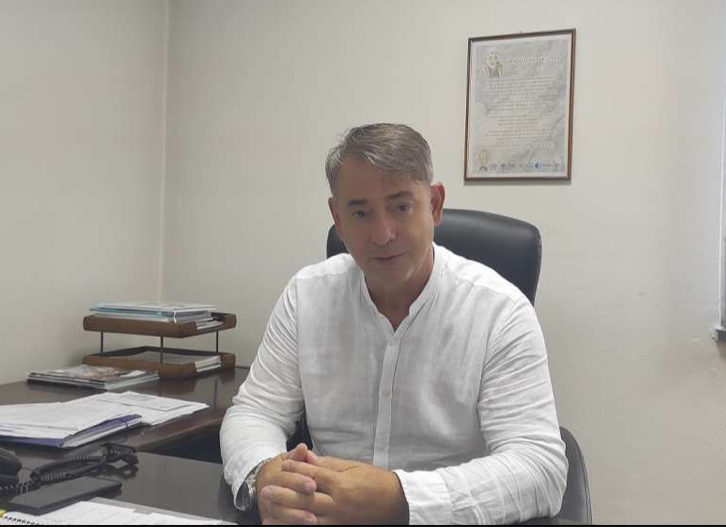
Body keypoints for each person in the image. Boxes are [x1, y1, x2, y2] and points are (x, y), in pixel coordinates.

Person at [220, 123, 567, 525]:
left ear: (434, 205)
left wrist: (400, 499)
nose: (383, 235)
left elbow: (539, 467)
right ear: (338, 218)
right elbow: (255, 413)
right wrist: (265, 475)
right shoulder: (307, 296)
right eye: (361, 213)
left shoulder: (500, 312)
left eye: (401, 207)